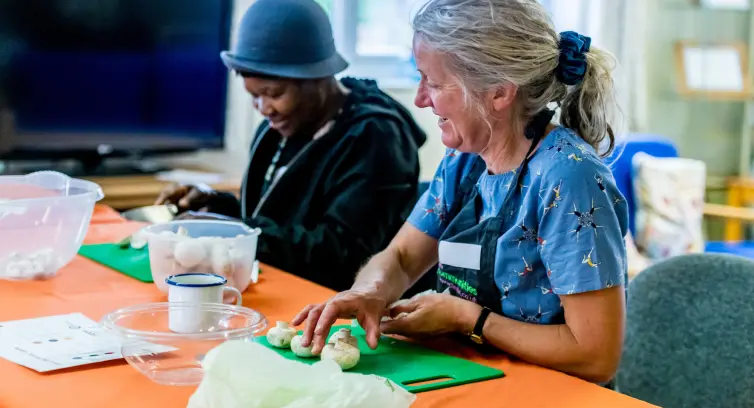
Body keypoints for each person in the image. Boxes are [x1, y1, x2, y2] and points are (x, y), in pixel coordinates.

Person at [293, 0, 629, 384]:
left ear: (499, 93)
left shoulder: (569, 179)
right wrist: (370, 291)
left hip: (553, 398)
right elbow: (402, 258)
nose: (420, 99)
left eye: (434, 83)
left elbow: (595, 356)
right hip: (473, 375)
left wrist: (466, 317)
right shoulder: (466, 160)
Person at [155, 0, 427, 292]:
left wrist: (234, 232)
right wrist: (218, 209)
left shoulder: (376, 137)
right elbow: (277, 221)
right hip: (280, 289)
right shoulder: (281, 127)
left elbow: (343, 256)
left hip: (335, 310)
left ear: (318, 77)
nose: (263, 108)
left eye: (273, 93)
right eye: (254, 96)